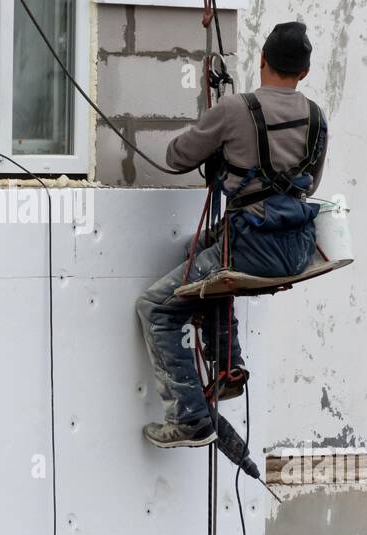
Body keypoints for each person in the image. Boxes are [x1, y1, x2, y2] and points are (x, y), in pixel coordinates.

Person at [137, 22, 329, 448]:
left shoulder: (236, 109)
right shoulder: (316, 117)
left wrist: (223, 140)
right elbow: (308, 186)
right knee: (197, 252)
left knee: (155, 307)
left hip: (250, 249)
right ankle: (226, 364)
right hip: (296, 249)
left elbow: (176, 157)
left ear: (262, 60)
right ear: (306, 71)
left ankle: (189, 419)